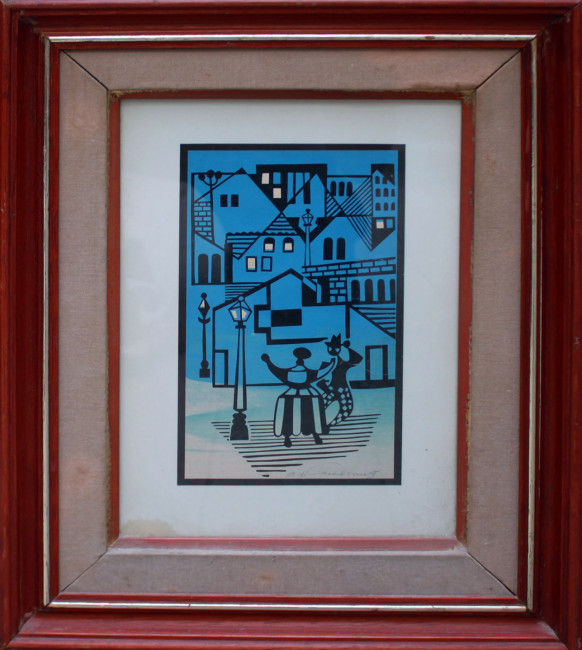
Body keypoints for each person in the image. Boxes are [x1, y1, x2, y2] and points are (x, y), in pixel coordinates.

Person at [261, 348, 333, 448]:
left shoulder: (291, 372)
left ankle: (311, 435)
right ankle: (294, 436)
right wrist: (268, 362)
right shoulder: (308, 372)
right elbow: (275, 369)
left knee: (307, 413)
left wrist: (268, 361)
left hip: (299, 394)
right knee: (297, 413)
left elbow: (275, 370)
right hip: (302, 394)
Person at [317, 334, 363, 427]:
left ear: (340, 349)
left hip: (343, 389)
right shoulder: (325, 363)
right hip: (330, 389)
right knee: (319, 408)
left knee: (346, 410)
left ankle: (329, 425)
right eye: (330, 348)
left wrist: (347, 348)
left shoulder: (343, 363)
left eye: (336, 348)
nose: (333, 350)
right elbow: (319, 379)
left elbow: (358, 359)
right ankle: (320, 426)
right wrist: (326, 389)